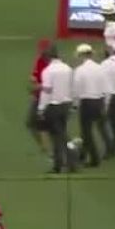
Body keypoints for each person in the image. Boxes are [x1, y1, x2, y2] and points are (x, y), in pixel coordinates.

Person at [37, 44, 74, 174]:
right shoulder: (68, 68)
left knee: (57, 137)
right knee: (63, 133)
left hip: (54, 106)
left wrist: (41, 109)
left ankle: (60, 164)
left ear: (47, 57)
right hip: (66, 105)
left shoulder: (48, 71)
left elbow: (46, 91)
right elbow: (71, 87)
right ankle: (70, 161)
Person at [72, 43, 110, 168]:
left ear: (82, 55)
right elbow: (106, 87)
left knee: (86, 132)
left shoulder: (79, 70)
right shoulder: (100, 68)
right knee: (98, 128)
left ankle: (94, 159)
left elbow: (76, 89)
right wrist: (105, 103)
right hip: (99, 101)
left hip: (87, 102)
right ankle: (83, 155)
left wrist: (75, 105)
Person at [26, 39, 52, 154]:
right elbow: (34, 76)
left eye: (42, 49)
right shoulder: (40, 60)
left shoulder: (54, 65)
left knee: (50, 125)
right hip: (38, 97)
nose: (40, 51)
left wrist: (38, 87)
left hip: (50, 98)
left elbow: (51, 85)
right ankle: (43, 146)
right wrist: (33, 80)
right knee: (30, 123)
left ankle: (53, 148)